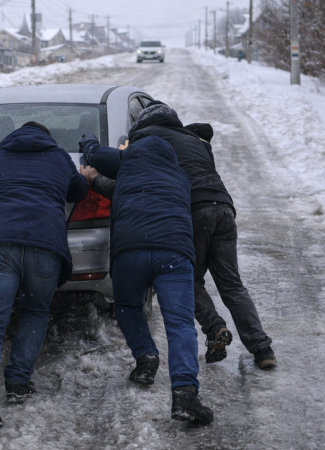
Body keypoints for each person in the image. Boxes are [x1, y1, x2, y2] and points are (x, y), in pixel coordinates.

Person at [118, 101, 275, 370]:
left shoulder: (146, 140)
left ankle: (215, 327)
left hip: (191, 209)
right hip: (223, 207)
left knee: (186, 278)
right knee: (232, 285)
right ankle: (262, 349)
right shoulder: (194, 139)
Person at [80, 128, 214, 425]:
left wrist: (88, 146)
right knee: (179, 324)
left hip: (130, 251)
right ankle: (185, 395)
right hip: (173, 252)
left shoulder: (126, 165)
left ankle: (145, 358)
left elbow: (98, 162)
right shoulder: (180, 176)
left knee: (127, 306)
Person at [0, 122, 88, 430]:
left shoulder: (1, 158)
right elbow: (78, 190)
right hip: (46, 245)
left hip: (1, 243)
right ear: (47, 138)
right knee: (34, 313)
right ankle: (19, 384)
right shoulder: (59, 156)